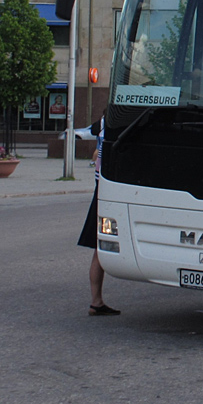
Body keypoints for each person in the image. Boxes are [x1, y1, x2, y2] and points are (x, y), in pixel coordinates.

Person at [78, 116, 119, 316]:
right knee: (101, 245)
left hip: (100, 188)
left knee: (98, 247)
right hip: (108, 190)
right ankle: (96, 301)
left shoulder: (103, 125)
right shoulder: (115, 125)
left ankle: (97, 300)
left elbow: (95, 137)